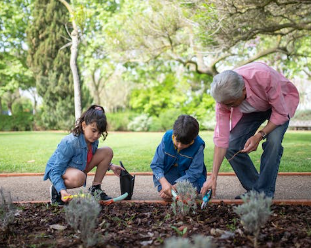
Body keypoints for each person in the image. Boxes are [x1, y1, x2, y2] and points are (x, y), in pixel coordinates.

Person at [200, 62, 299, 199]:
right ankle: (256, 190)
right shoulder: (224, 97)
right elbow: (222, 138)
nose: (226, 107)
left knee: (273, 142)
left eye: (230, 104)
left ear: (243, 90)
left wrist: (260, 134)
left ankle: (264, 194)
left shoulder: (263, 76)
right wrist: (213, 177)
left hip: (280, 103)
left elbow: (281, 114)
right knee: (232, 144)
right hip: (254, 108)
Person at [43, 105, 124, 205]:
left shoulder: (93, 140)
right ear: (84, 125)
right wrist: (62, 190)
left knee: (107, 151)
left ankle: (95, 189)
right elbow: (56, 170)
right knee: (80, 177)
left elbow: (90, 156)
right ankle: (56, 190)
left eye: (99, 133)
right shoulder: (70, 142)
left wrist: (111, 166)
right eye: (93, 130)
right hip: (59, 170)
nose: (96, 136)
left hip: (78, 166)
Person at [150, 114, 207, 200]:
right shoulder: (167, 138)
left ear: (193, 140)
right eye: (177, 141)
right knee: (167, 194)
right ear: (174, 134)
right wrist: (164, 183)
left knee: (187, 196)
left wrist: (177, 186)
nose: (180, 146)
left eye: (185, 144)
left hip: (190, 177)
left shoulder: (198, 145)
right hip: (170, 173)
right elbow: (156, 165)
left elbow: (195, 172)